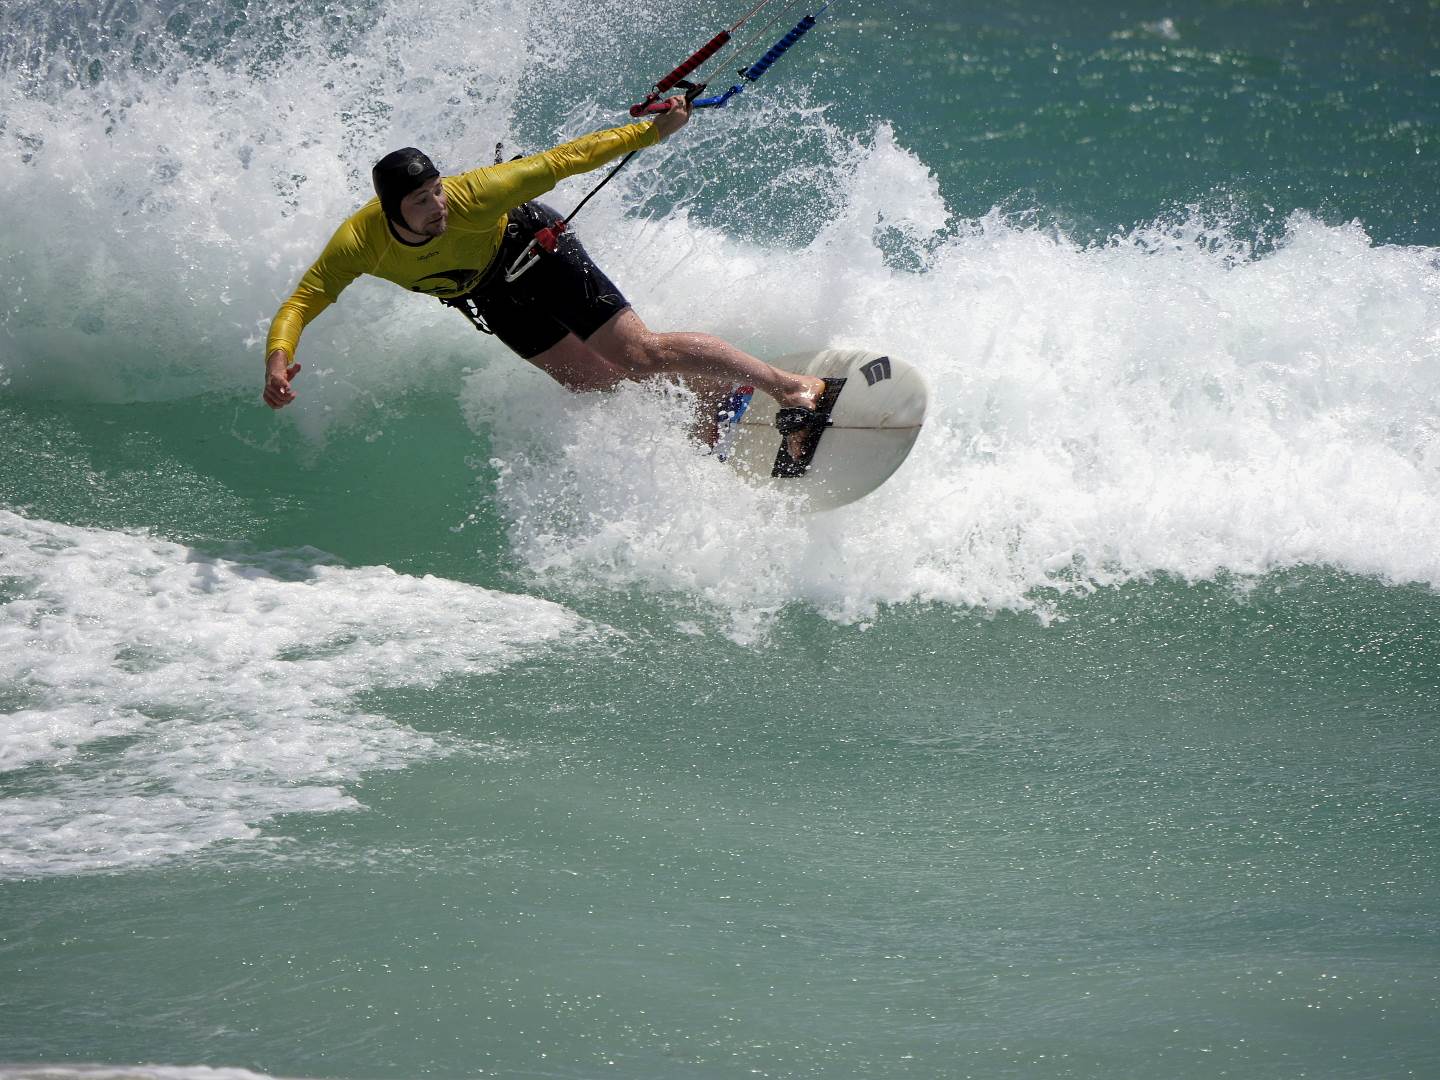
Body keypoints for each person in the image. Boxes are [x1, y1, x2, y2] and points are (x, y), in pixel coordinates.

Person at [261, 96, 825, 434]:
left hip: (532, 247)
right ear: (391, 212)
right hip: (486, 293)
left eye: (436, 191)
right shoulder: (359, 244)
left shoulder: (476, 195)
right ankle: (712, 393)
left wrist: (652, 131)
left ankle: (790, 386)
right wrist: (278, 362)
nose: (438, 207)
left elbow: (566, 159)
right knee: (592, 380)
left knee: (637, 353)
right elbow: (303, 301)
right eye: (420, 202)